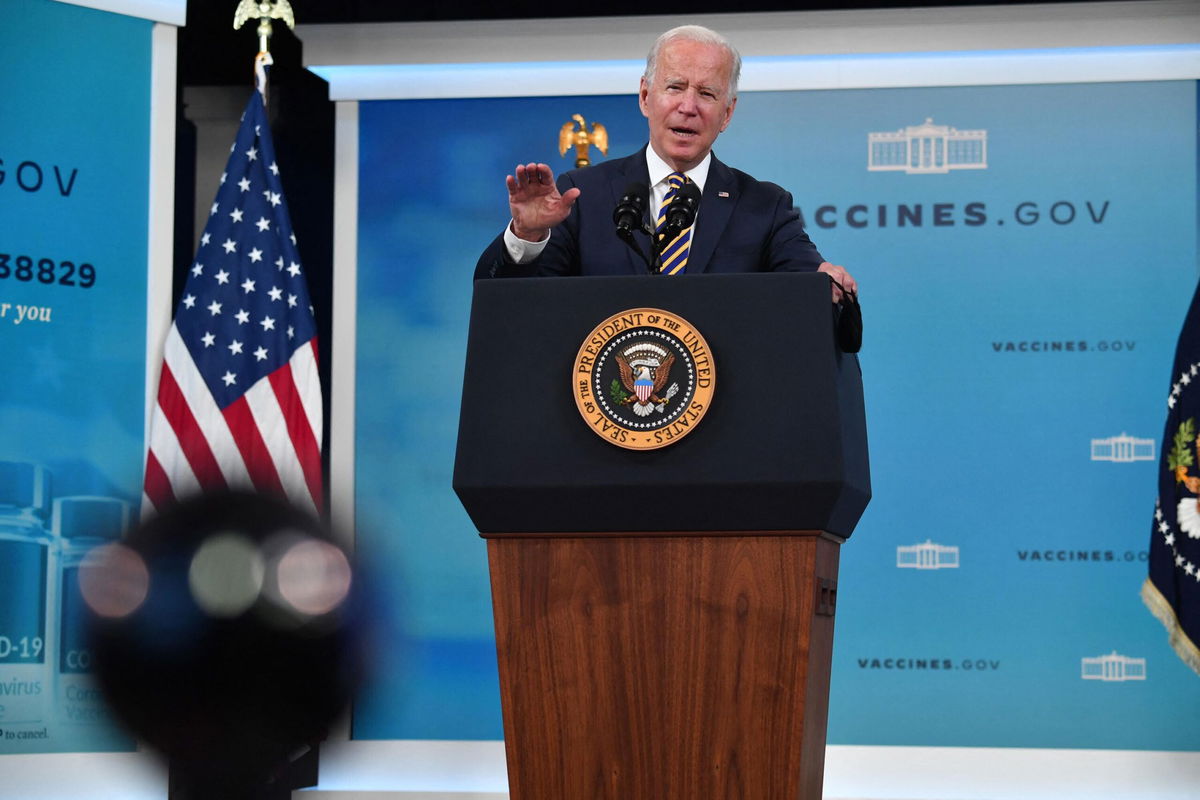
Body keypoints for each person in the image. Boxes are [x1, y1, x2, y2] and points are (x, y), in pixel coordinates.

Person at [474, 24, 857, 303]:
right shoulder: (583, 193)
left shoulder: (763, 206)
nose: (688, 107)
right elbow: (511, 303)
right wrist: (526, 236)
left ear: (727, 114)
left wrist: (824, 281)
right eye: (675, 87)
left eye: (707, 93)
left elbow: (806, 276)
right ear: (645, 96)